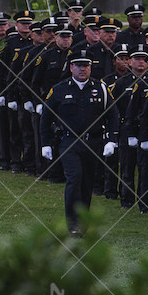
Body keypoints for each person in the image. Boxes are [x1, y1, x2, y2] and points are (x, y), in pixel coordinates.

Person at [40, 50, 119, 237]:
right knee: (74, 178)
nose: (82, 69)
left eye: (86, 65)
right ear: (71, 67)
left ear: (90, 67)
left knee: (87, 183)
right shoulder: (59, 89)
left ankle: (83, 222)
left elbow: (113, 114)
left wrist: (112, 140)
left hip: (93, 142)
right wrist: (45, 143)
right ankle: (72, 223)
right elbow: (46, 117)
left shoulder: (101, 88)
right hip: (69, 141)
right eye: (78, 65)